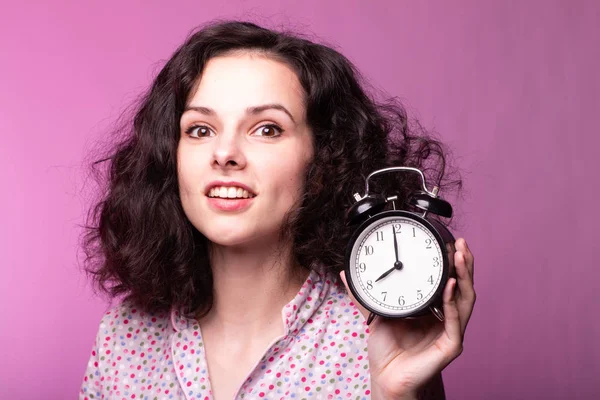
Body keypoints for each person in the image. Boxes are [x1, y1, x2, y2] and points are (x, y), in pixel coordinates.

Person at [79, 20, 475, 400]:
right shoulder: (123, 335)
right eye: (200, 129)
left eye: (267, 128)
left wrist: (395, 395)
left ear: (323, 157)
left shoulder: (379, 339)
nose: (225, 154)